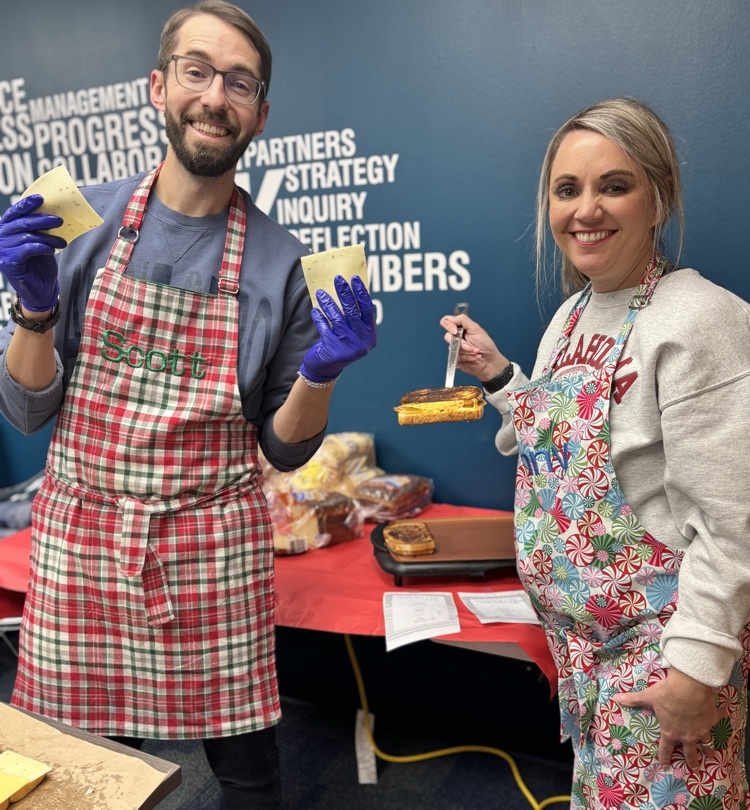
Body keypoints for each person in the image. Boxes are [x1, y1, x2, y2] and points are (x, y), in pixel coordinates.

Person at [0, 2, 376, 807]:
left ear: (260, 115)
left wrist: (320, 373)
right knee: (77, 775)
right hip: (86, 542)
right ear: (159, 86)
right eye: (198, 71)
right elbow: (29, 413)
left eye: (239, 83)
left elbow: (281, 450)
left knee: (248, 774)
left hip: (213, 548)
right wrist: (34, 314)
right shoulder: (77, 226)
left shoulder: (280, 264)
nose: (216, 96)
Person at [441, 97, 750, 808]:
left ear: (659, 197)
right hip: (589, 661)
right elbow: (558, 445)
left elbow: (732, 524)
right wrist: (498, 375)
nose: (587, 209)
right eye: (567, 189)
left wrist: (696, 675)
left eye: (614, 185)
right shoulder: (571, 315)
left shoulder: (699, 319)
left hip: (664, 663)